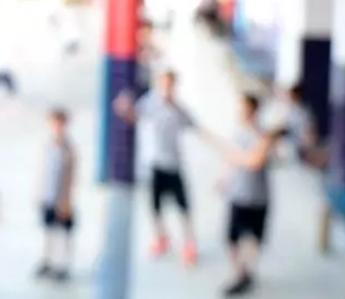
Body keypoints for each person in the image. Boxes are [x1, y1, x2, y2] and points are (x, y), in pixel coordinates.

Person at [113, 70, 199, 266]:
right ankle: (162, 238)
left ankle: (189, 243)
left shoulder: (177, 107)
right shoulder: (149, 103)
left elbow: (191, 123)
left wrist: (174, 105)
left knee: (183, 206)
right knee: (155, 206)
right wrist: (123, 109)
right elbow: (133, 115)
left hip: (173, 163)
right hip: (153, 163)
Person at [211, 94, 282, 296]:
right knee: (232, 238)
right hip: (238, 194)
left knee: (252, 239)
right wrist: (225, 179)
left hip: (256, 197)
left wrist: (238, 157)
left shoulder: (262, 136)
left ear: (253, 111)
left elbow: (256, 161)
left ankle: (246, 274)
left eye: (244, 109)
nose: (240, 113)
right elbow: (232, 159)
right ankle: (240, 273)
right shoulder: (239, 132)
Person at [35, 108, 77, 281]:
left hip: (61, 198)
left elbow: (70, 175)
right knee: (48, 230)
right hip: (48, 196)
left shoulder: (68, 149)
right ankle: (47, 261)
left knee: (63, 233)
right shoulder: (47, 145)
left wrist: (66, 200)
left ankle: (63, 265)